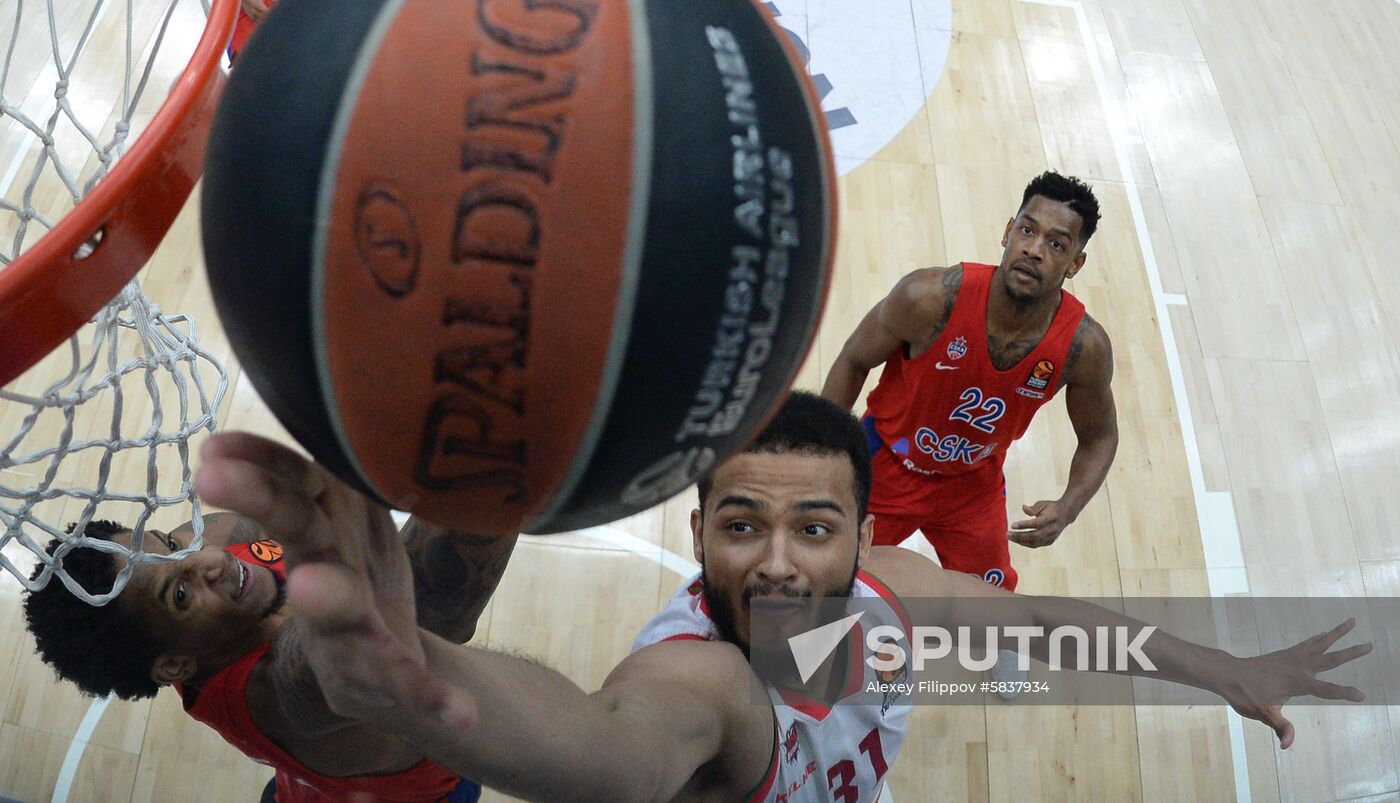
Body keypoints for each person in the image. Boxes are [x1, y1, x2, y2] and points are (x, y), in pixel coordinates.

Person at [194, 392, 1370, 803]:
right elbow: (607, 746)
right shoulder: (698, 680)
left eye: (811, 527)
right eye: (740, 523)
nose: (774, 562)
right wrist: (427, 686)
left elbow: (1058, 633)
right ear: (695, 531)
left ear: (863, 535)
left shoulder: (896, 593)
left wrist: (1225, 668)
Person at [22, 447, 517, 803]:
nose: (210, 558)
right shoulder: (289, 691)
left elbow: (329, 506)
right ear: (174, 663)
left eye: (168, 545)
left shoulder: (208, 550)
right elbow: (432, 602)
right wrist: (504, 439)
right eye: (179, 594)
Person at [822, 170, 1119, 596]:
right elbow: (853, 360)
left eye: (1056, 244)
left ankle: (1005, 653)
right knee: (831, 577)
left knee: (994, 602)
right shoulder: (928, 298)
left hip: (971, 485)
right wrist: (825, 454)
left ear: (1075, 264)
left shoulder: (1083, 347)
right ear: (1007, 233)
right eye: (1026, 230)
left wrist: (1069, 507)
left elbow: (1100, 437)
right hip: (885, 464)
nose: (1033, 250)